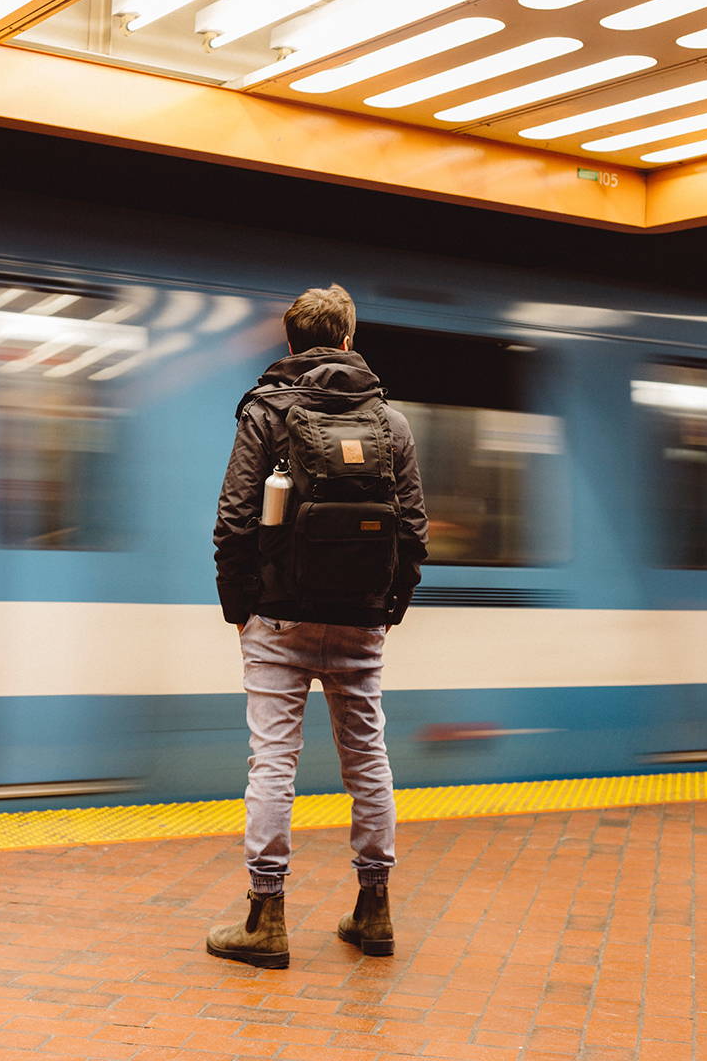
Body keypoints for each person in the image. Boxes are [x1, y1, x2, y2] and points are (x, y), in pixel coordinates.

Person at [208, 283, 428, 968]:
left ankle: (266, 918)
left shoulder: (266, 410)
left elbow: (235, 519)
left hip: (278, 618)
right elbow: (414, 532)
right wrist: (388, 607)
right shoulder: (391, 424)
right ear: (347, 341)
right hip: (360, 618)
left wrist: (239, 606)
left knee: (274, 761)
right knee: (367, 759)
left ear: (292, 343)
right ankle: (375, 910)